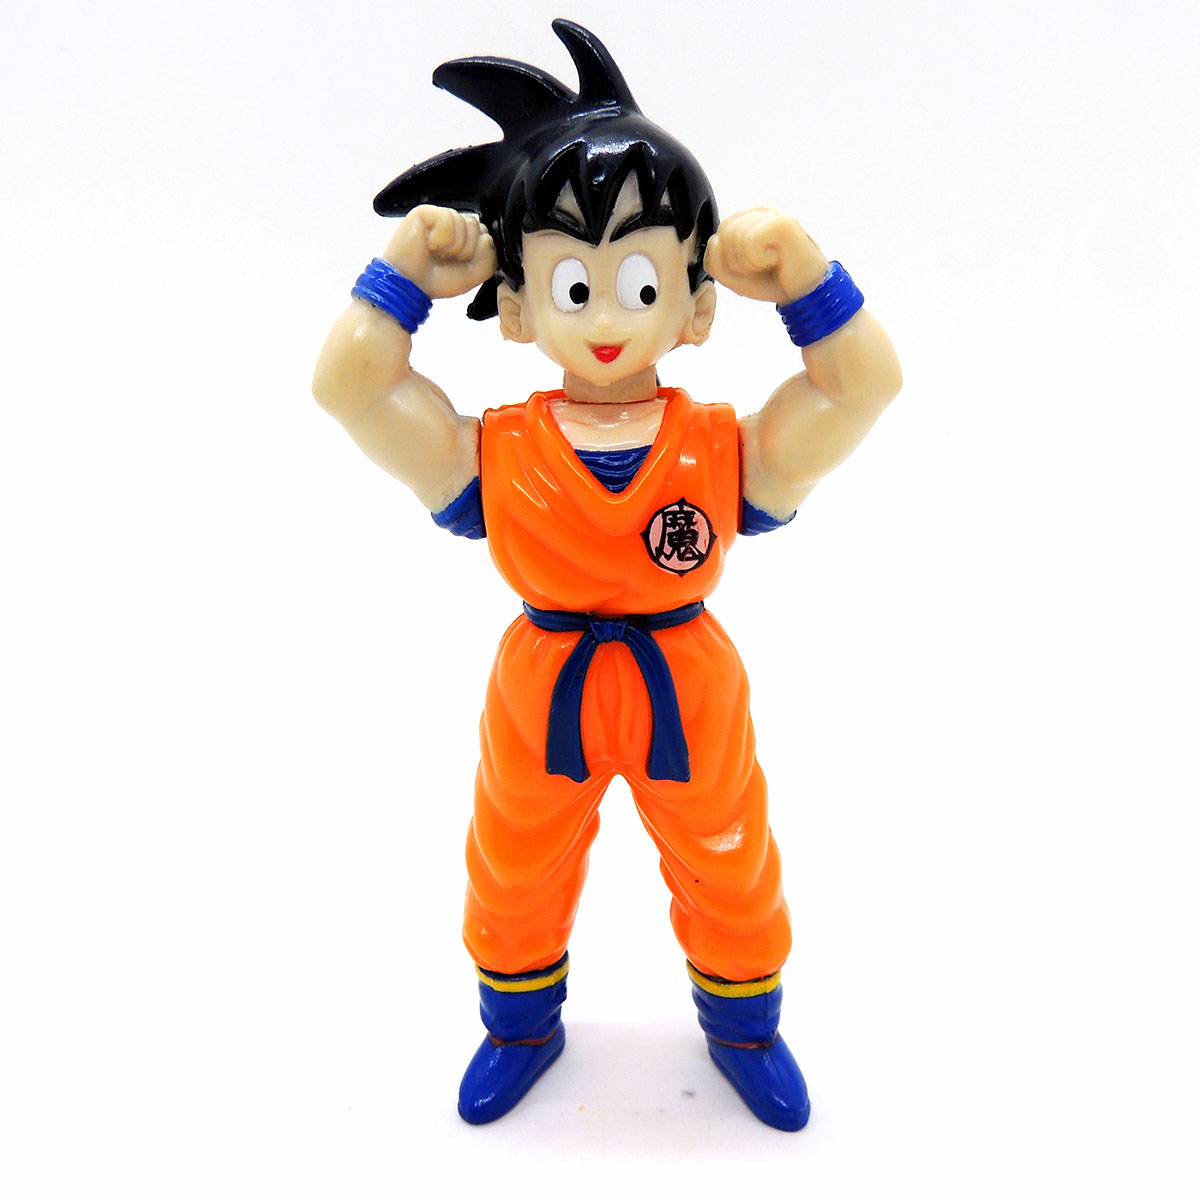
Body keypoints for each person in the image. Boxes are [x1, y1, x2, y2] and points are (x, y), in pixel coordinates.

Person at [312, 19, 901, 1131]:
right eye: (574, 285)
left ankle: (745, 1027)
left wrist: (809, 278)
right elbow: (351, 387)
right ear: (519, 307)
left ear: (696, 303)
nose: (612, 317)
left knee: (727, 855)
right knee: (515, 861)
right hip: (545, 683)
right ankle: (518, 1025)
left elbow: (861, 388)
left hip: (686, 681)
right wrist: (402, 276)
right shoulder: (495, 452)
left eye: (640, 278)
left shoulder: (723, 449)